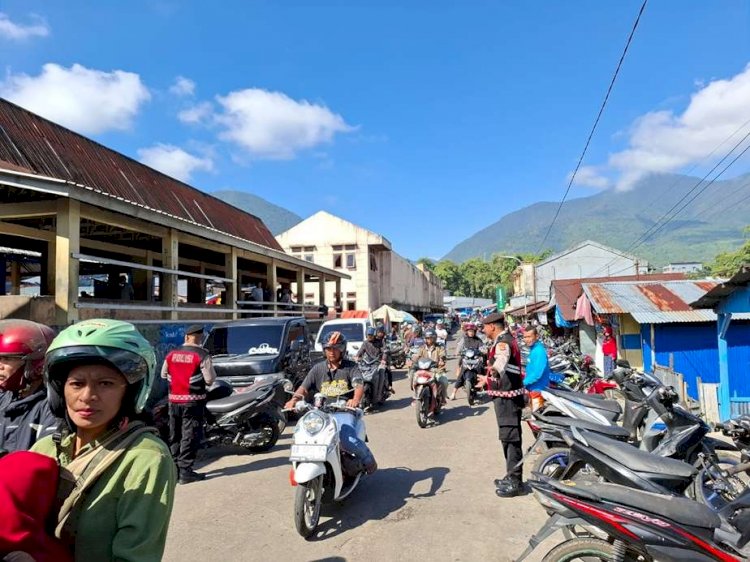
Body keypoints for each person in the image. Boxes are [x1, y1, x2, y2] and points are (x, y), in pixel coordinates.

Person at [31, 319, 176, 562]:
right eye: (76, 383)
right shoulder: (44, 449)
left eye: (105, 384)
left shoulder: (145, 458)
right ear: (59, 390)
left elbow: (135, 557)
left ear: (129, 392)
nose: (87, 396)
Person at [284, 331, 377, 474]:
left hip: (343, 411)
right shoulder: (318, 368)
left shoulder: (350, 367)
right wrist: (294, 400)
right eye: (328, 348)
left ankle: (368, 459)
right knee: (302, 436)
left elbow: (358, 385)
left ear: (342, 349)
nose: (331, 352)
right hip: (320, 413)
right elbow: (303, 388)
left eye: (335, 348)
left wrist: (355, 400)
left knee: (347, 439)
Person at [475, 313, 525, 498]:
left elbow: (502, 359)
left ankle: (515, 482)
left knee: (511, 439)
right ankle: (511, 475)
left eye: (485, 327)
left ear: (493, 327)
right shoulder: (504, 339)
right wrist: (488, 379)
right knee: (507, 439)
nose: (483, 330)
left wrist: (494, 371)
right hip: (506, 398)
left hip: (508, 400)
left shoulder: (503, 342)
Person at [160, 324, 216, 484]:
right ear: (200, 338)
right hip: (193, 401)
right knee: (189, 435)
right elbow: (210, 379)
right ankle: (185, 472)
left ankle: (174, 470)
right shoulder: (202, 354)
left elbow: (163, 375)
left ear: (186, 337)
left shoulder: (171, 353)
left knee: (175, 434)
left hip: (173, 401)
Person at [0, 320, 58, 452]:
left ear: (37, 365)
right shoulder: (3, 399)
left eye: (7, 359)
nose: (0, 366)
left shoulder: (51, 408)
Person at [408, 330, 447, 403]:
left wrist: (441, 360)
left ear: (434, 338)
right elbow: (417, 356)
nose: (428, 340)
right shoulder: (422, 347)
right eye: (427, 338)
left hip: (436, 369)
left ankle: (443, 398)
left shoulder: (439, 347)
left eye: (430, 338)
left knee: (443, 381)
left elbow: (443, 355)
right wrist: (412, 360)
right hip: (423, 368)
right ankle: (417, 395)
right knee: (414, 377)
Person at [450, 322, 484, 400]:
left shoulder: (478, 340)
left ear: (475, 332)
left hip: (475, 360)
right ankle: (453, 393)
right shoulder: (464, 339)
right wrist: (457, 352)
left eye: (472, 331)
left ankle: (482, 385)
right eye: (469, 331)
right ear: (467, 332)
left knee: (481, 368)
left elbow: (482, 347)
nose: (471, 333)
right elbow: (459, 346)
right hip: (466, 359)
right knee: (461, 375)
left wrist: (483, 350)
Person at [523, 326, 551, 412]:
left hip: (538, 390)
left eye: (529, 336)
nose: (527, 339)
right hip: (533, 389)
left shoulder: (539, 351)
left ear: (536, 336)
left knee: (537, 416)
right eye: (525, 337)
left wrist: (523, 383)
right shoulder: (533, 349)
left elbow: (537, 374)